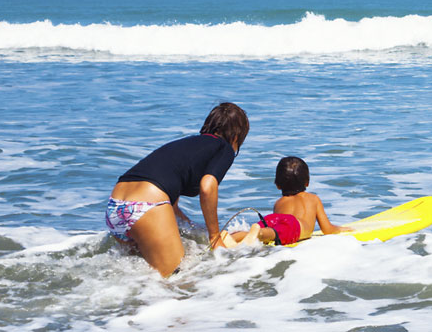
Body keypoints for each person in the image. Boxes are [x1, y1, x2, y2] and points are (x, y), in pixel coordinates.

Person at [105, 102, 249, 277]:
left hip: (116, 207)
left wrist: (191, 227)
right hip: (146, 207)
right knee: (178, 279)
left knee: (141, 280)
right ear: (236, 136)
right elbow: (207, 186)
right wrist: (214, 236)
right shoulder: (223, 148)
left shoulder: (185, 145)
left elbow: (168, 194)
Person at [221, 156, 349, 247]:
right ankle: (258, 232)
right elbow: (327, 229)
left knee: (264, 231)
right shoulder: (313, 199)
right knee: (269, 233)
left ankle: (230, 237)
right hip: (294, 225)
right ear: (307, 182)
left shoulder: (279, 202)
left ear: (278, 185)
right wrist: (341, 229)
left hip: (274, 218)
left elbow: (278, 225)